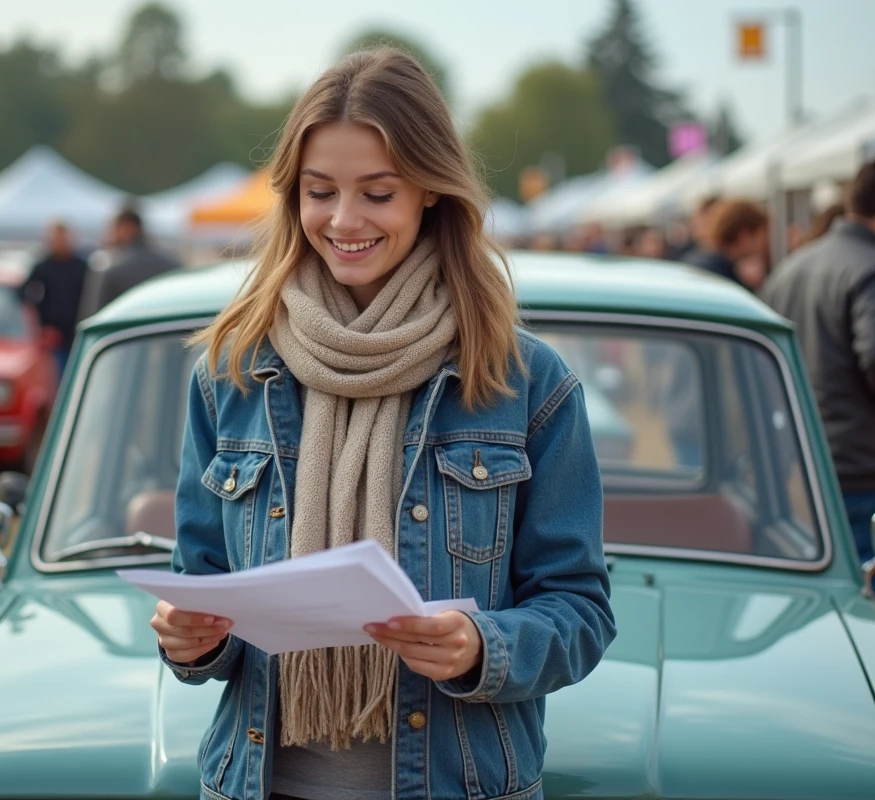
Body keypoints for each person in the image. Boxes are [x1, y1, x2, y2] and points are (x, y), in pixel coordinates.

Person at [149, 49, 616, 800]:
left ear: (430, 190)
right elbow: (203, 586)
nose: (343, 220)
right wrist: (188, 640)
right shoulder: (231, 373)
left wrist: (482, 647)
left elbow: (581, 611)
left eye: (377, 192)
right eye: (319, 192)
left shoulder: (527, 383)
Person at [761, 157, 875, 627]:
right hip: (863, 466)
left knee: (813, 615)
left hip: (800, 464)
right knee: (873, 624)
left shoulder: (794, 266)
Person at [80, 206, 180, 319]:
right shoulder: (171, 263)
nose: (108, 234)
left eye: (112, 228)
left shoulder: (107, 266)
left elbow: (93, 318)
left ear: (126, 228)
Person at [19, 221, 89, 376]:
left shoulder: (82, 266)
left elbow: (92, 295)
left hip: (78, 329)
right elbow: (23, 292)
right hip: (53, 335)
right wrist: (40, 315)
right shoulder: (43, 266)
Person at [682, 200, 769, 287]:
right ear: (745, 237)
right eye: (762, 236)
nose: (765, 244)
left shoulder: (706, 260)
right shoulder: (718, 274)